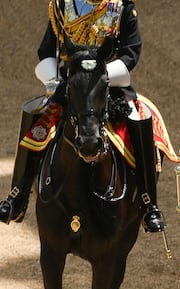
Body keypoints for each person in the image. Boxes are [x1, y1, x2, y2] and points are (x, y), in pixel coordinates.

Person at [0, 0, 165, 232]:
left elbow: (130, 51)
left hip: (108, 86)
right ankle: (17, 195)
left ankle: (149, 205)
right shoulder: (61, 5)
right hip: (70, 87)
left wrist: (99, 76)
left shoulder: (121, 7)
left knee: (140, 120)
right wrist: (53, 82)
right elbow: (47, 50)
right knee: (35, 115)